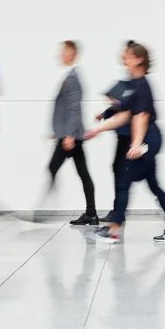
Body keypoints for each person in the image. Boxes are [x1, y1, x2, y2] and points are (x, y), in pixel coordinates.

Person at [85, 42, 165, 243]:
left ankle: (113, 229)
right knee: (153, 186)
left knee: (124, 181)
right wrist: (98, 129)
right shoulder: (133, 84)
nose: (123, 58)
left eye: (127, 55)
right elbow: (125, 116)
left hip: (148, 138)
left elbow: (142, 117)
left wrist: (137, 144)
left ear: (139, 59)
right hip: (146, 138)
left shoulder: (142, 85)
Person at [49, 40, 97, 225]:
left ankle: (48, 207)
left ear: (71, 53)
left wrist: (68, 134)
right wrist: (60, 131)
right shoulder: (69, 75)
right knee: (83, 172)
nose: (60, 55)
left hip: (72, 136)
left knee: (52, 168)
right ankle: (91, 213)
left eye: (63, 52)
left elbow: (74, 107)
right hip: (71, 134)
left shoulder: (73, 77)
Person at [97, 41, 137, 223]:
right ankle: (118, 210)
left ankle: (118, 212)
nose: (123, 57)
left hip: (131, 134)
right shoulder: (128, 80)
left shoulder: (137, 82)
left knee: (124, 172)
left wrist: (116, 104)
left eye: (126, 54)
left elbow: (129, 106)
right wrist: (106, 112)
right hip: (123, 134)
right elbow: (121, 105)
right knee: (119, 170)